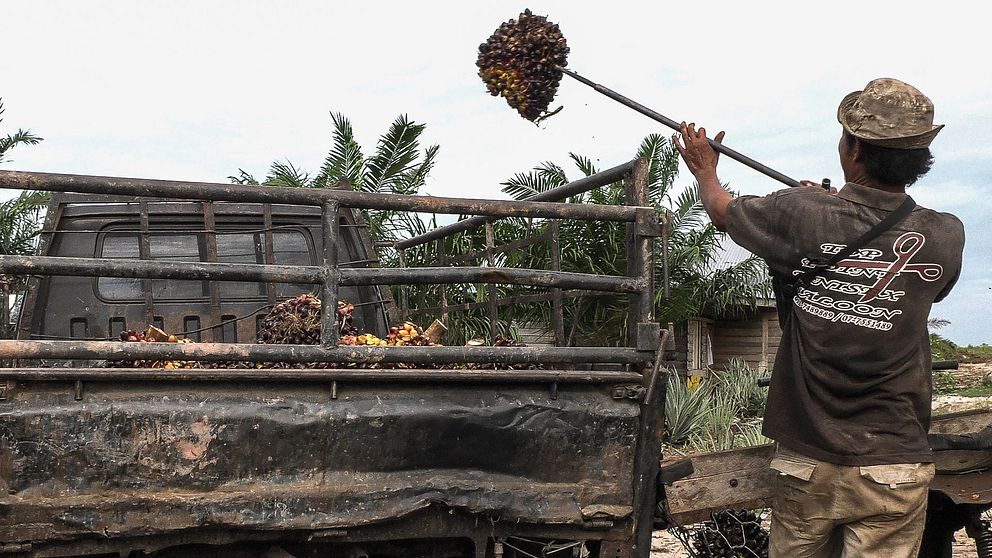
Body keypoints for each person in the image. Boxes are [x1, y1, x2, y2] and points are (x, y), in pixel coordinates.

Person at [672, 77, 966, 558]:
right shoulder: (945, 234)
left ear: (852, 148)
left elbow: (723, 211)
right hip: (894, 465)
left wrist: (706, 170)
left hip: (809, 462)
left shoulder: (802, 212)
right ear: (919, 159)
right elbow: (927, 291)